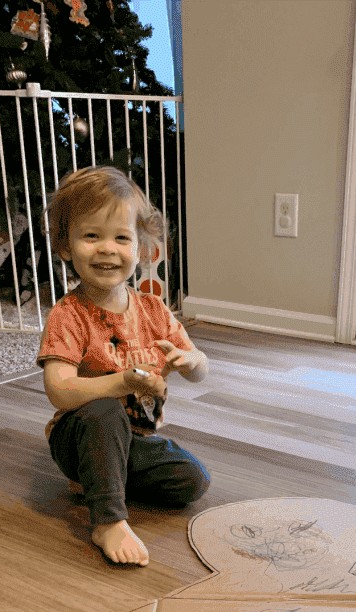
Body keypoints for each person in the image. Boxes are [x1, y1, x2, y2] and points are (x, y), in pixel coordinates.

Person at [37, 165, 210, 566]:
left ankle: (101, 477)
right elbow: (58, 389)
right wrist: (118, 383)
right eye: (91, 236)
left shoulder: (152, 309)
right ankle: (108, 520)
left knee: (192, 480)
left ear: (141, 248)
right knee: (103, 410)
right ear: (66, 246)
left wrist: (192, 361)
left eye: (121, 237)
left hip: (136, 438)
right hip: (79, 433)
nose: (107, 249)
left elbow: (201, 368)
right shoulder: (69, 315)